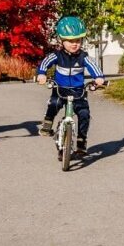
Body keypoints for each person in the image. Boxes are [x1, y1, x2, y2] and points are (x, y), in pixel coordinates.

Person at [37, 16, 106, 157]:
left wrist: (99, 77)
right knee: (54, 103)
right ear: (61, 40)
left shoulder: (83, 57)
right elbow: (45, 63)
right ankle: (47, 124)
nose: (74, 44)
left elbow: (93, 66)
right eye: (70, 41)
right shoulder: (57, 55)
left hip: (78, 90)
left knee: (84, 114)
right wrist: (41, 74)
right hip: (60, 88)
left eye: (78, 41)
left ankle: (81, 142)